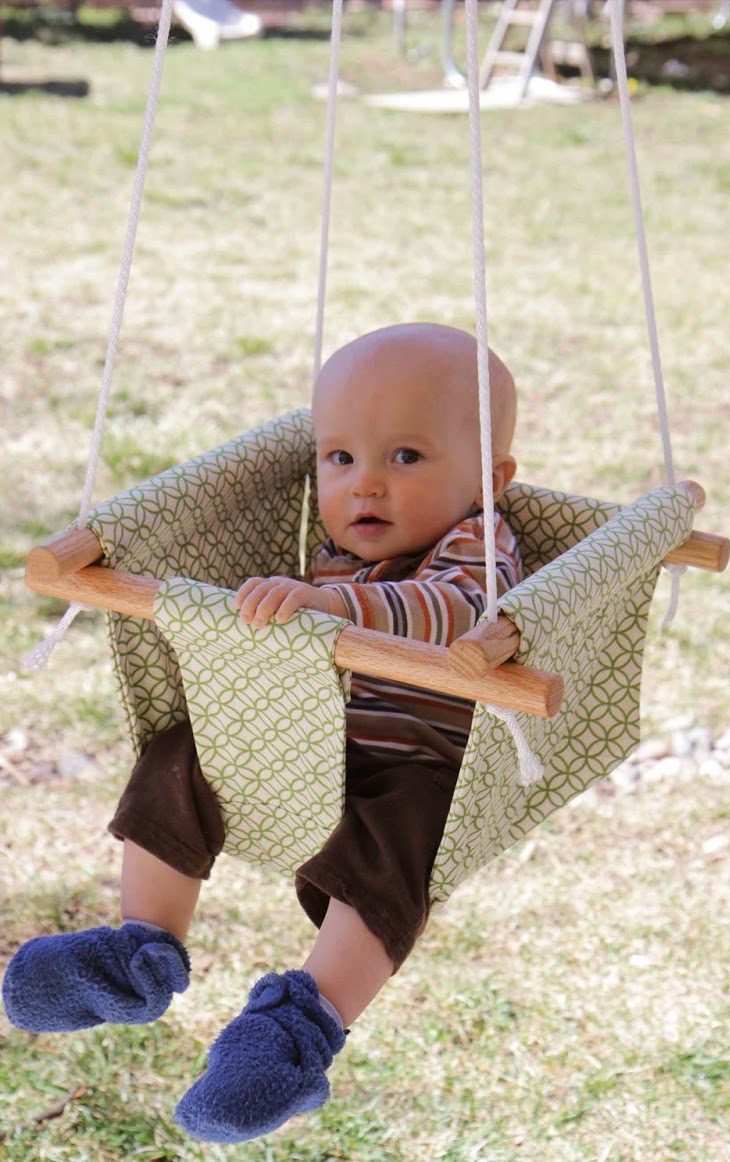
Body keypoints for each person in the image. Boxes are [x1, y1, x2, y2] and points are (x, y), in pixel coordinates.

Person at [2, 322, 523, 1141]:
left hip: (420, 767)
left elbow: (454, 612)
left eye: (406, 458)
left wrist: (332, 607)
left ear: (491, 480)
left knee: (401, 847)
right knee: (180, 754)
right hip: (309, 749)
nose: (367, 487)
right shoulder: (329, 545)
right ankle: (141, 952)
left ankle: (296, 1027)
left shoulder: (479, 543)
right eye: (341, 459)